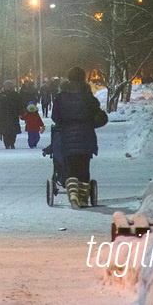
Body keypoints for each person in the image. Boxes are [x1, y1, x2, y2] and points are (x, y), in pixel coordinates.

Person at [50, 67, 103, 207]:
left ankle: (72, 194)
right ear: (83, 78)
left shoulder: (60, 98)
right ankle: (83, 197)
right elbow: (99, 115)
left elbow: (55, 117)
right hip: (86, 134)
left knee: (70, 165)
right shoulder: (88, 97)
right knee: (84, 166)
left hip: (67, 135)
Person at [0, 80, 22, 149]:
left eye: (9, 86)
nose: (7, 88)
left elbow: (19, 105)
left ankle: (12, 143)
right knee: (5, 131)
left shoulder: (15, 95)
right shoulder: (0, 95)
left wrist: (20, 112)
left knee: (13, 131)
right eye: (6, 86)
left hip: (13, 115)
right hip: (2, 116)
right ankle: (7, 144)